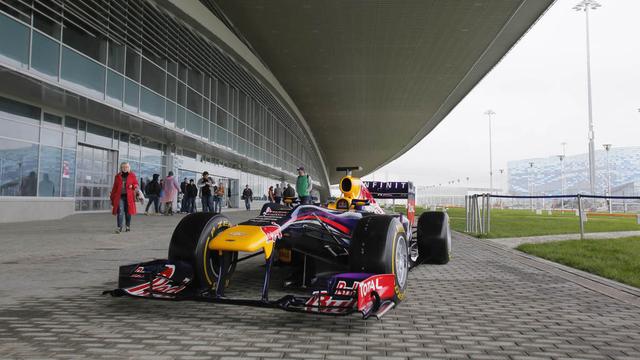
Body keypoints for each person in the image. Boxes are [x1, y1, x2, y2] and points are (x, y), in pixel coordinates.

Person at [110, 162, 139, 233]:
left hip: (129, 197)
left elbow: (136, 184)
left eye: (126, 167)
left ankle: (127, 226)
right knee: (120, 211)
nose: (125, 168)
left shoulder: (132, 175)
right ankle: (119, 227)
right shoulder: (117, 176)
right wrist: (112, 197)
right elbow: (115, 187)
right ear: (121, 168)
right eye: (123, 167)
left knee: (128, 212)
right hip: (120, 197)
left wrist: (133, 186)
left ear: (129, 168)